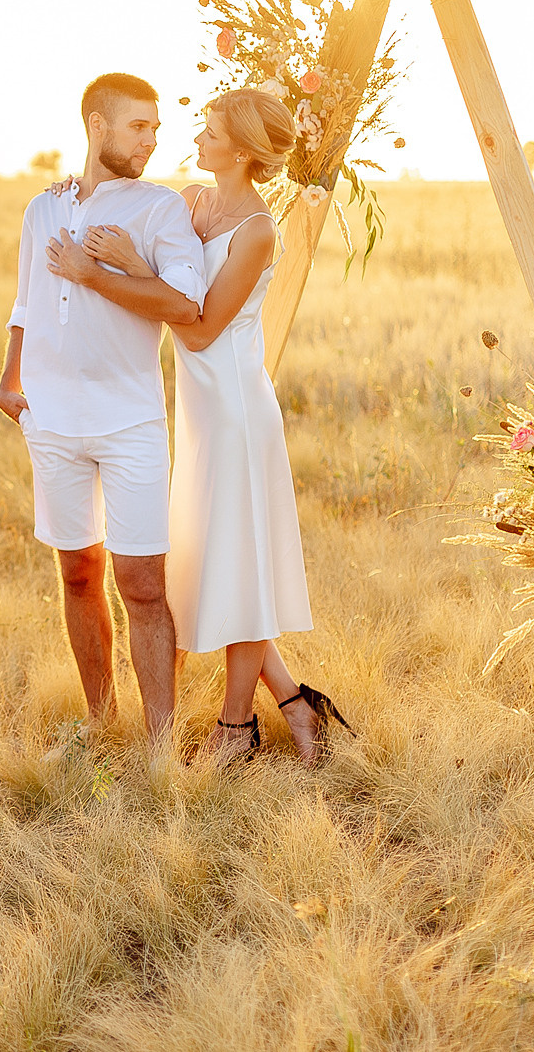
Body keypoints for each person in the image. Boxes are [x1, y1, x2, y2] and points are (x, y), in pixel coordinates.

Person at [76, 87, 354, 761]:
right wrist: (74, 192)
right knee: (221, 561)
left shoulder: (257, 230)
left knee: (240, 564)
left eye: (210, 130)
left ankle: (236, 729)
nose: (197, 138)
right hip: (200, 413)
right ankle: (296, 702)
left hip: (235, 409)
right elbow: (137, 233)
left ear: (243, 149)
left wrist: (137, 270)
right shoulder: (192, 202)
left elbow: (199, 330)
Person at [0, 73, 206, 742]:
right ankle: (100, 724)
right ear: (97, 125)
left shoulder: (160, 209)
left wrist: (95, 273)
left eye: (155, 128)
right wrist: (9, 381)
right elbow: (26, 301)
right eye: (138, 126)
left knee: (141, 581)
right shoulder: (43, 208)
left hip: (130, 420)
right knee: (77, 572)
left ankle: (160, 747)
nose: (151, 140)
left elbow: (185, 305)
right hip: (52, 419)